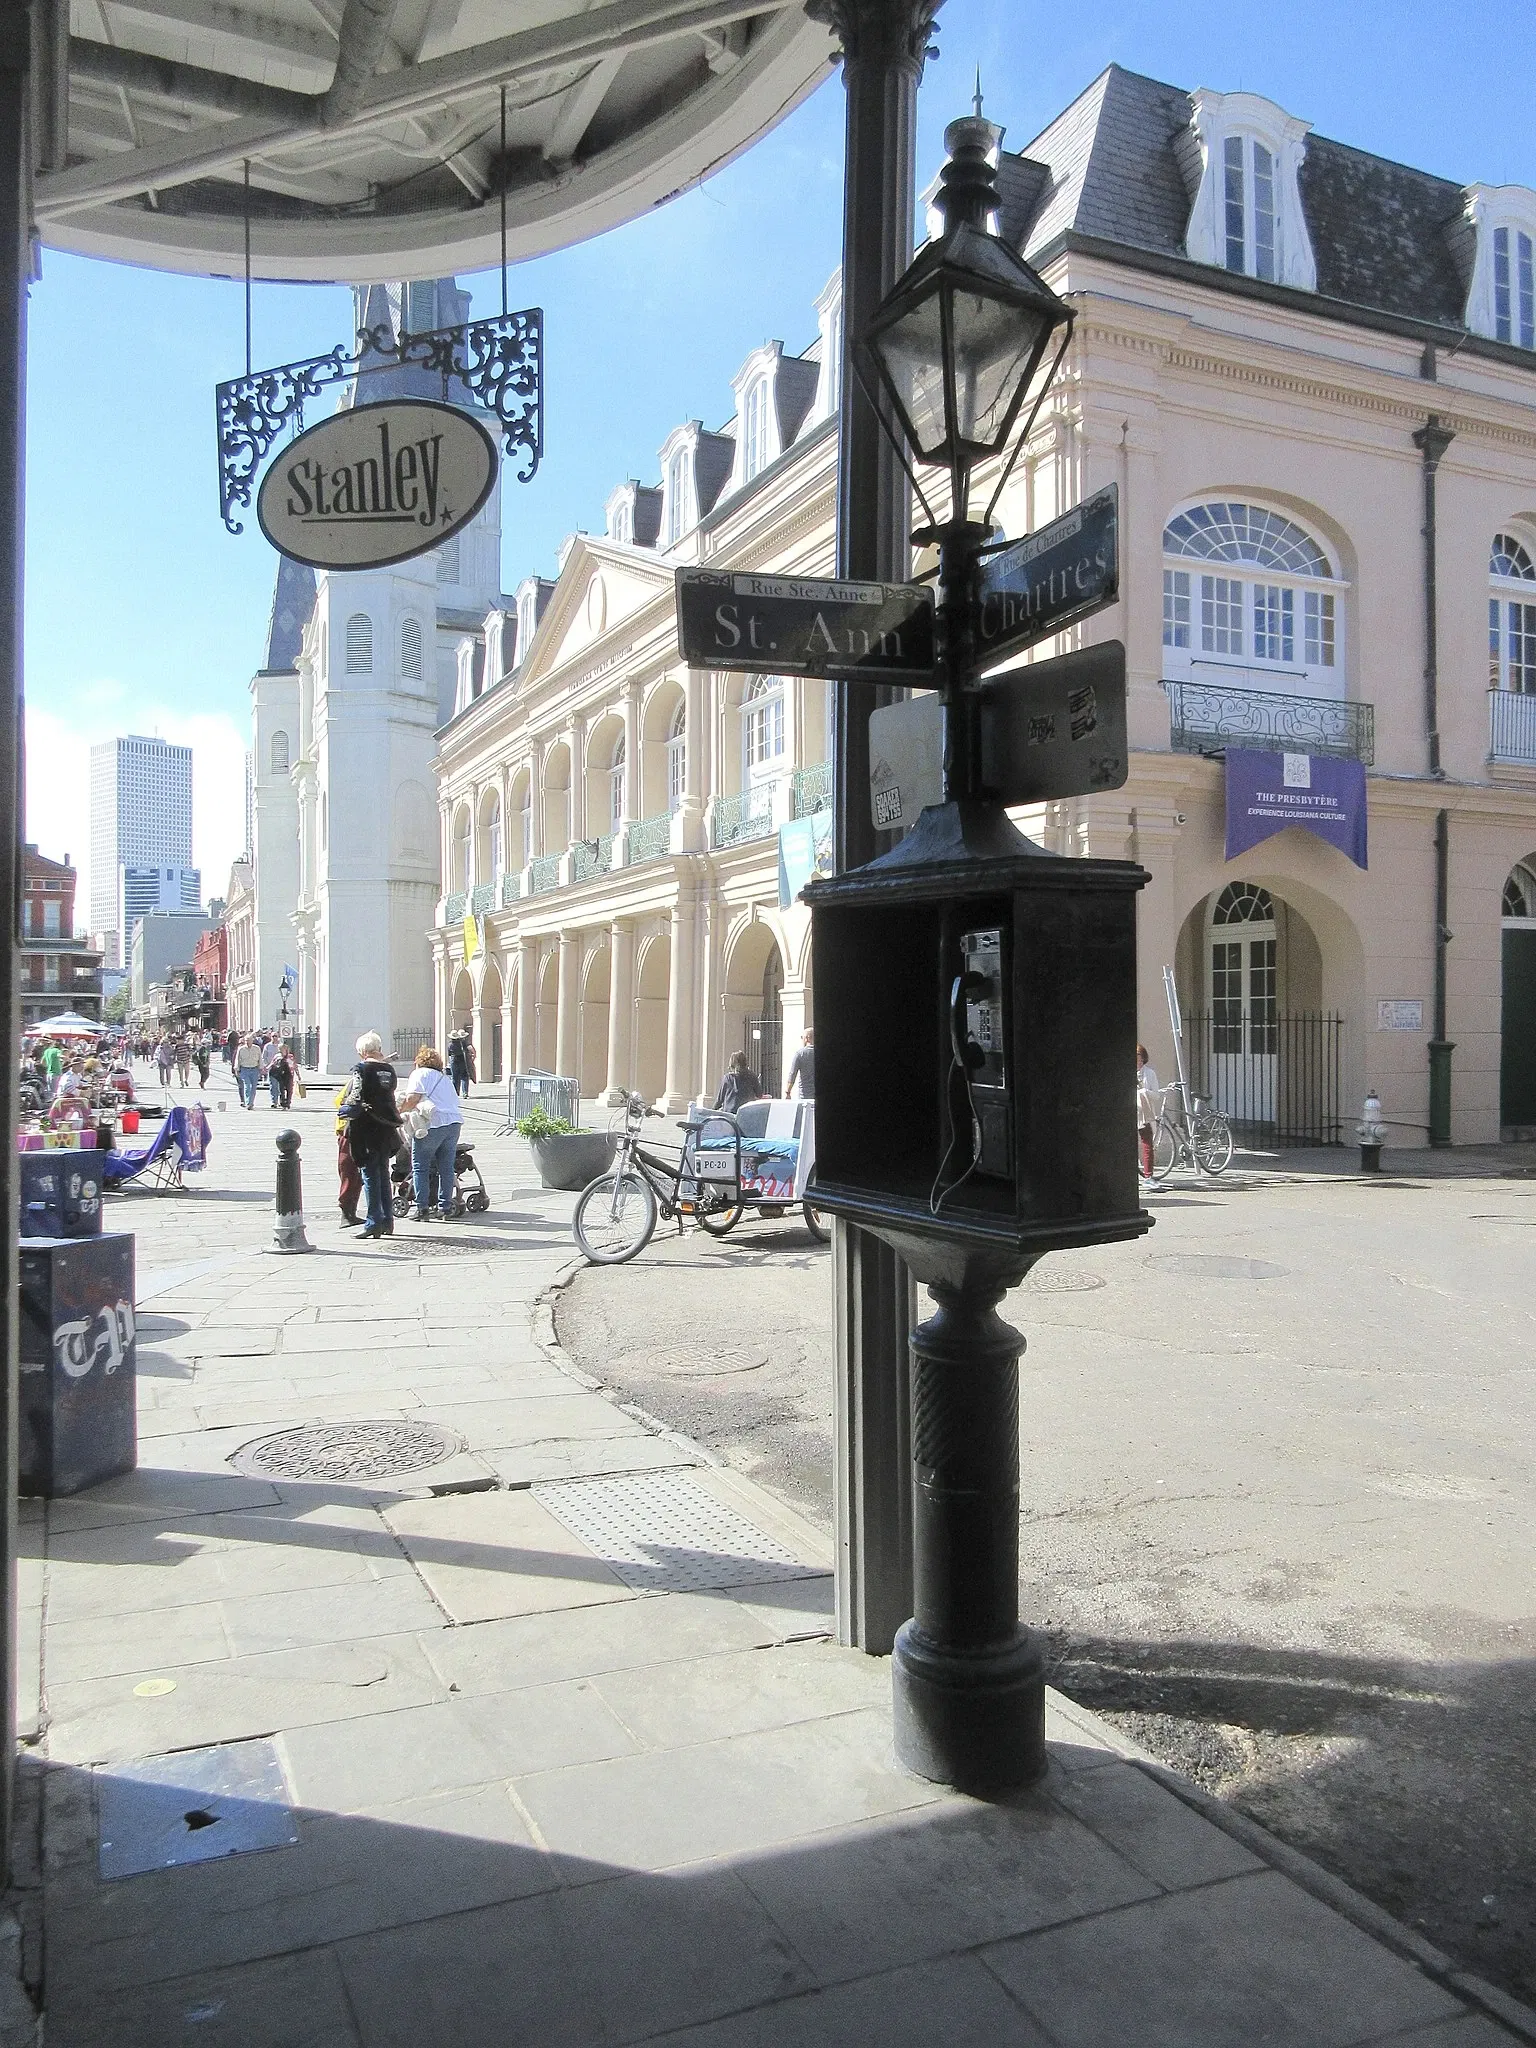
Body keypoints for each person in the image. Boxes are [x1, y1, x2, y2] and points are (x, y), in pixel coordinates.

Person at [339, 1031, 401, 1239]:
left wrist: (345, 1109)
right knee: (383, 1174)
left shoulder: (362, 1069)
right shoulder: (388, 1070)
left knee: (369, 1175)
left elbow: (356, 1096)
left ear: (363, 1051)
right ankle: (387, 1221)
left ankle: (373, 1221)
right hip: (386, 1128)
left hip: (366, 1128)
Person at [398, 1045, 463, 1222]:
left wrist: (398, 1113)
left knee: (421, 1166)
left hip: (432, 1124)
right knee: (446, 1168)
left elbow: (412, 1099)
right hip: (454, 1123)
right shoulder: (444, 1078)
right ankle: (445, 1206)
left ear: (419, 1061)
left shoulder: (419, 1074)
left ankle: (422, 1208)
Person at [333, 1081, 363, 1227]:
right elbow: (340, 1102)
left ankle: (351, 1212)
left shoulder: (358, 1081)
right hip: (349, 1132)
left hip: (354, 1132)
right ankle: (346, 1212)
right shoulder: (355, 1083)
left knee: (356, 1175)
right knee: (349, 1171)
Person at [713, 1050, 763, 1116]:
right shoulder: (752, 1076)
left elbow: (719, 1100)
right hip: (747, 1113)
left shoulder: (727, 1078)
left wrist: (712, 1111)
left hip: (729, 1114)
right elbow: (759, 1094)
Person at [1136, 1043, 1160, 1180]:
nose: (1137, 1061)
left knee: (1147, 1144)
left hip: (1144, 1114)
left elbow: (1156, 1095)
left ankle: (1148, 1176)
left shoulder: (1150, 1074)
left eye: (1139, 1058)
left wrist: (1145, 1092)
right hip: (1131, 1113)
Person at [784, 1026, 815, 1100]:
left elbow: (792, 1074)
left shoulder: (800, 1054)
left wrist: (788, 1092)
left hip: (804, 1095)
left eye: (802, 1037)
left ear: (807, 1038)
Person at [234, 1033, 262, 1109]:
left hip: (254, 1069)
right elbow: (237, 1059)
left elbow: (260, 1059)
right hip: (244, 1069)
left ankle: (251, 1102)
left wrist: (261, 1068)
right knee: (247, 1086)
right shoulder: (241, 1049)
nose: (247, 1042)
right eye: (246, 1040)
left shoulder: (257, 1048)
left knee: (253, 1087)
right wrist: (236, 1069)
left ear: (252, 1040)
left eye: (249, 1040)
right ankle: (248, 1103)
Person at [445, 1030, 472, 1099]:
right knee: (464, 1077)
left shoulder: (450, 1044)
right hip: (463, 1060)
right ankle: (465, 1092)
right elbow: (467, 1051)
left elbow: (449, 1054)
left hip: (454, 1061)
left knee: (455, 1078)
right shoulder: (462, 1043)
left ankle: (455, 1093)